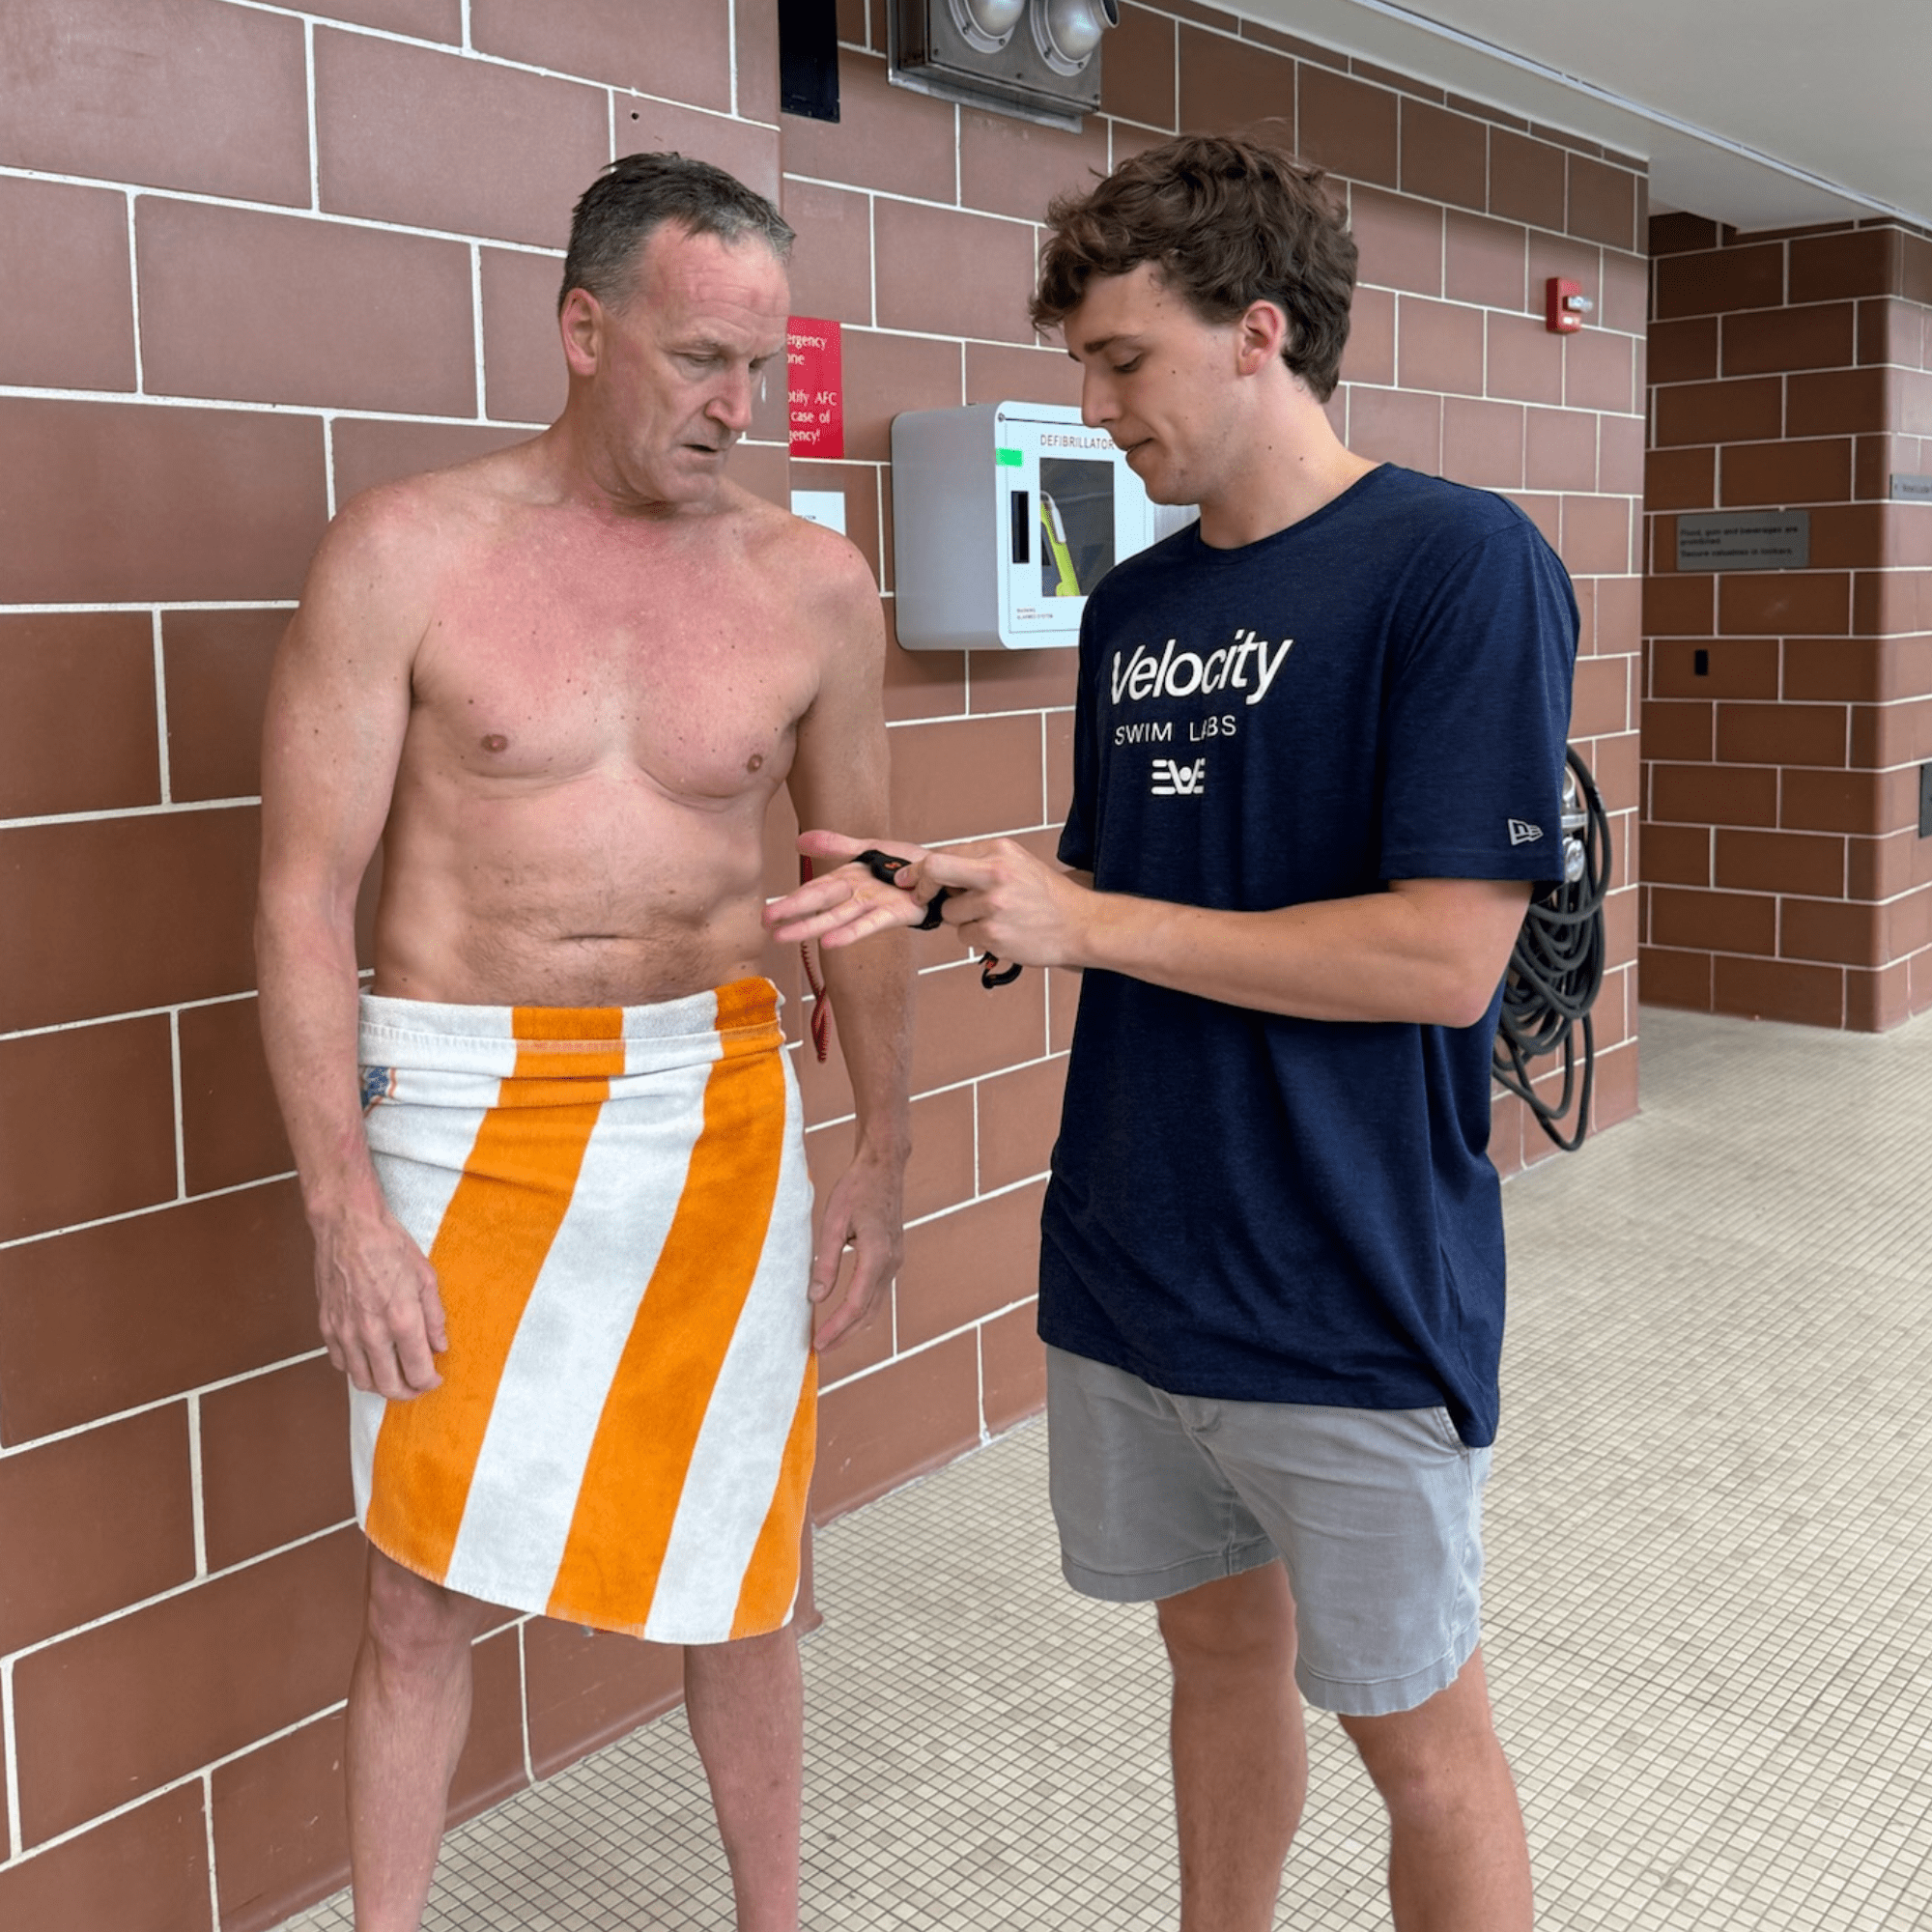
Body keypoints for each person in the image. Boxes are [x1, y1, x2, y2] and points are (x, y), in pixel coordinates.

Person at [765, 129, 1576, 1931]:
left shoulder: (1456, 567)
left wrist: (1090, 915)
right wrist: (979, 882)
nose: (1096, 403)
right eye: (1081, 365)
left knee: (1417, 1737)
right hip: (1137, 1252)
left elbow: (1446, 959)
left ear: (1260, 334)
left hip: (1350, 1270)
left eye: (1123, 359)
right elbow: (1153, 891)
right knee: (1213, 1663)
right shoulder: (1136, 607)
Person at [257, 153, 911, 1932]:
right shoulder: (405, 552)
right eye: (704, 359)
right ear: (581, 327)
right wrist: (342, 1214)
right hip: (460, 1111)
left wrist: (885, 1158)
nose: (742, 406)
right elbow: (307, 901)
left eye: (765, 370)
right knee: (414, 1583)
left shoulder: (815, 586)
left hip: (716, 1105)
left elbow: (852, 883)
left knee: (746, 1573)